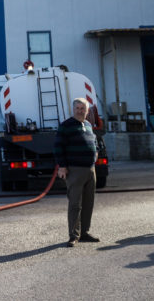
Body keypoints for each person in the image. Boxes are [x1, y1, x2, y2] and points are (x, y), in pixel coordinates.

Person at [54, 98, 99, 247]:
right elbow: (58, 147)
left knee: (88, 203)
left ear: (87, 111)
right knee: (75, 204)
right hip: (75, 170)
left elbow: (94, 141)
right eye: (78, 108)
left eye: (83, 108)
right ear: (73, 109)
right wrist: (62, 166)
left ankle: (84, 233)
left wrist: (96, 152)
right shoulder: (66, 126)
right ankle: (73, 235)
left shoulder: (88, 124)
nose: (80, 111)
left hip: (90, 170)